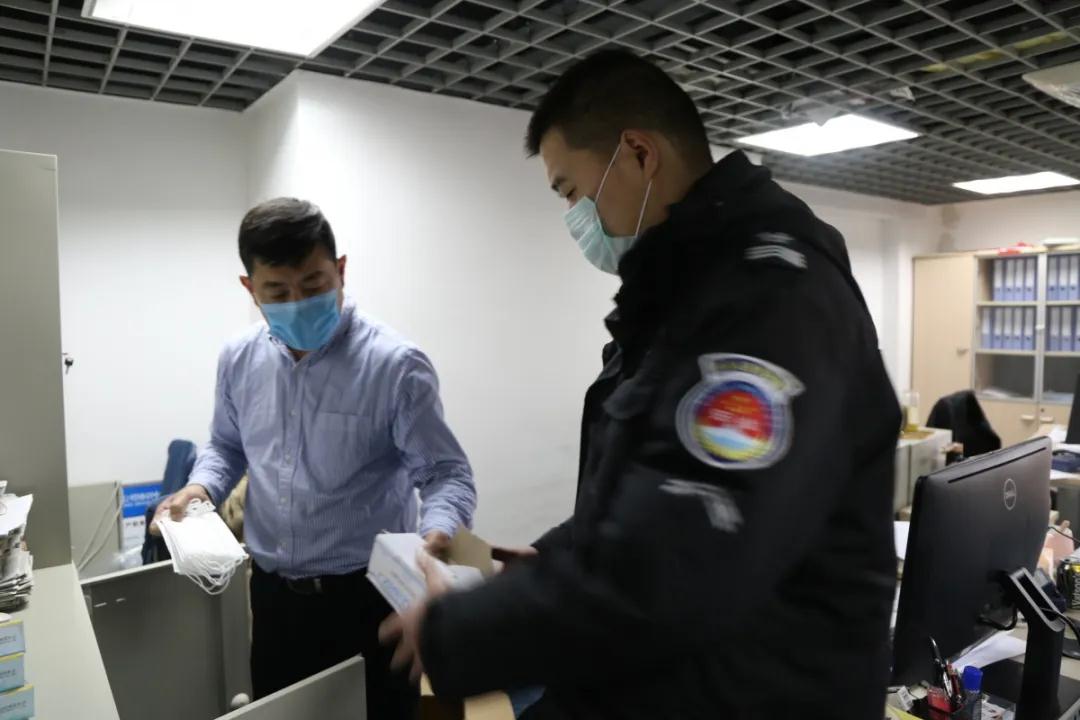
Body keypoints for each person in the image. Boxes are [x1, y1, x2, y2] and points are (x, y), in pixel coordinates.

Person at [381, 49, 900, 719]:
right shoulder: (685, 297)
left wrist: (450, 630)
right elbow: (659, 477)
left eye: (570, 190)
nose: (574, 216)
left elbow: (678, 564)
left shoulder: (767, 302)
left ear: (638, 154)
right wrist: (555, 552)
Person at [153, 198, 476, 719]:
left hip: (371, 596)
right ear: (250, 289)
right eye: (278, 292)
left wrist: (437, 538)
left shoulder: (394, 365)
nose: (298, 302)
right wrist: (201, 486)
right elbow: (227, 445)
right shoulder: (239, 358)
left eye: (314, 284)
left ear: (341, 269)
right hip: (275, 598)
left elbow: (446, 475)